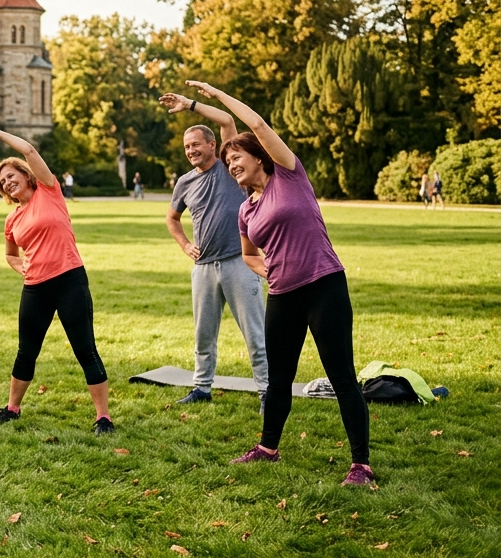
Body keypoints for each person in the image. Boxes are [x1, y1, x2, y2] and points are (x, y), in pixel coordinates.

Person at [183, 80, 375, 486]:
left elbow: (255, 121)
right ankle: (267, 447)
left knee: (341, 375)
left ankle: (361, 464)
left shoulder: (289, 174)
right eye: (228, 160)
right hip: (283, 296)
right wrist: (264, 270)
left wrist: (214, 96)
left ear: (259, 157)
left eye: (238, 157)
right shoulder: (246, 211)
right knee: (279, 378)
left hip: (324, 285)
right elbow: (250, 254)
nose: (231, 164)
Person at [0, 122, 113, 434]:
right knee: (26, 351)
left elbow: (29, 149)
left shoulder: (49, 191)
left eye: (11, 176)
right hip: (35, 288)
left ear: (26, 176)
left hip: (69, 281)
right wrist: (18, 266)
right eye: (2, 181)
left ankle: (103, 417)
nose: (7, 182)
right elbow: (10, 254)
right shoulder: (12, 219)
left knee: (85, 348)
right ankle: (12, 408)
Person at [158, 93, 268, 410]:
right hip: (203, 268)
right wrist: (185, 244)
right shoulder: (184, 182)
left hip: (239, 262)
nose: (191, 151)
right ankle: (201, 388)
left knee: (255, 334)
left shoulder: (227, 167)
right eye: (187, 147)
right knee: (203, 336)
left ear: (211, 146)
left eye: (196, 145)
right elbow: (172, 218)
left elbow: (228, 121)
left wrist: (190, 104)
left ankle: (266, 391)